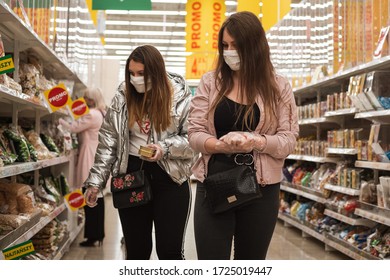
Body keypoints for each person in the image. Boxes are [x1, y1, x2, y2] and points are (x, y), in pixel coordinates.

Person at [187, 11, 299, 260]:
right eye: (224, 46)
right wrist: (218, 145)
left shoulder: (278, 86)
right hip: (213, 184)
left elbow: (288, 139)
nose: (229, 52)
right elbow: (194, 132)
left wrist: (256, 141)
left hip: (261, 189)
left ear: (254, 46)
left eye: (236, 46)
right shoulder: (210, 83)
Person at [82, 45, 197, 260]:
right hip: (130, 176)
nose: (135, 79)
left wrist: (164, 148)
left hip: (171, 178)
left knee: (170, 252)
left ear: (156, 71)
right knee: (136, 251)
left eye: (141, 73)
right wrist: (95, 182)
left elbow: (193, 140)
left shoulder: (180, 96)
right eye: (132, 73)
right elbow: (109, 142)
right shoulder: (123, 96)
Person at [59, 87, 107, 247]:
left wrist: (59, 117)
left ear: (92, 99)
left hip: (89, 156)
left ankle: (93, 236)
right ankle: (98, 235)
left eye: (87, 98)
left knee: (89, 198)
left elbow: (73, 127)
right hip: (96, 155)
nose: (84, 101)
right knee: (97, 199)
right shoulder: (101, 113)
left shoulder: (92, 114)